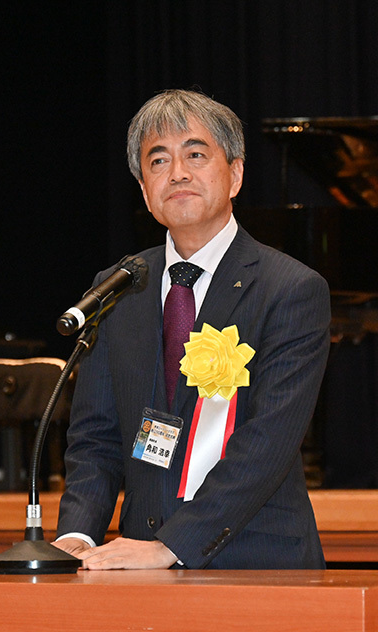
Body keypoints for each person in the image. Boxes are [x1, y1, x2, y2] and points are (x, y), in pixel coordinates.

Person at [52, 89, 330, 569]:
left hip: (257, 563)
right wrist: (76, 535)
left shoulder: (290, 289)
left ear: (235, 174)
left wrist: (172, 546)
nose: (177, 172)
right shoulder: (117, 288)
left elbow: (267, 444)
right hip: (139, 565)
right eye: (158, 161)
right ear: (145, 190)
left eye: (196, 155)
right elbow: (95, 437)